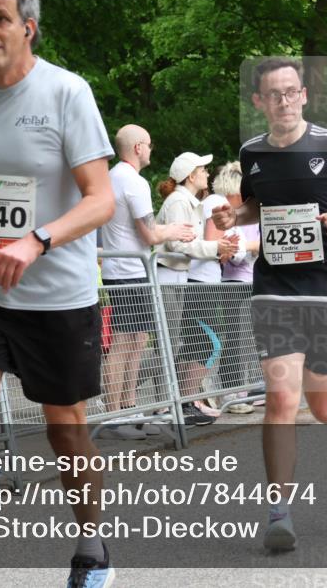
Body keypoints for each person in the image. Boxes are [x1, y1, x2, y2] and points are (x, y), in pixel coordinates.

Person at [0, 0, 116, 588]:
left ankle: (92, 547)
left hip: (55, 290)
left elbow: (101, 200)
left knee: (64, 427)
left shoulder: (67, 93)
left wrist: (37, 239)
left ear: (28, 27)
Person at [211, 57, 327, 551]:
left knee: (321, 400)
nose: (284, 101)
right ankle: (279, 513)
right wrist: (235, 215)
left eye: (292, 92)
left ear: (304, 96)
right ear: (259, 102)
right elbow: (255, 204)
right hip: (274, 288)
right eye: (274, 94)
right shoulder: (252, 153)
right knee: (280, 398)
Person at [101, 124, 195, 439]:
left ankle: (128, 406)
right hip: (129, 270)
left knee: (138, 340)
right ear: (139, 147)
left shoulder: (112, 177)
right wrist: (176, 230)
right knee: (125, 342)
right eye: (151, 144)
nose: (152, 150)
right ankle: (116, 415)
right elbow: (152, 234)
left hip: (125, 269)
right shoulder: (134, 182)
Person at [154, 152, 238, 425]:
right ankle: (170, 404)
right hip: (171, 276)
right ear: (191, 175)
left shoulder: (186, 201)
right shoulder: (179, 201)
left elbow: (186, 243)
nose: (207, 174)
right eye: (203, 169)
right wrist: (216, 247)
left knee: (178, 343)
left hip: (179, 277)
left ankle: (179, 403)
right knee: (173, 344)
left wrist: (215, 248)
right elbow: (179, 245)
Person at [210, 161, 260, 414]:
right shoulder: (231, 215)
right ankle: (232, 391)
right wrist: (253, 247)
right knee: (235, 338)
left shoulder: (251, 214)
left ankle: (246, 389)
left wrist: (251, 247)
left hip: (253, 280)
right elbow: (237, 254)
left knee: (248, 339)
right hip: (234, 282)